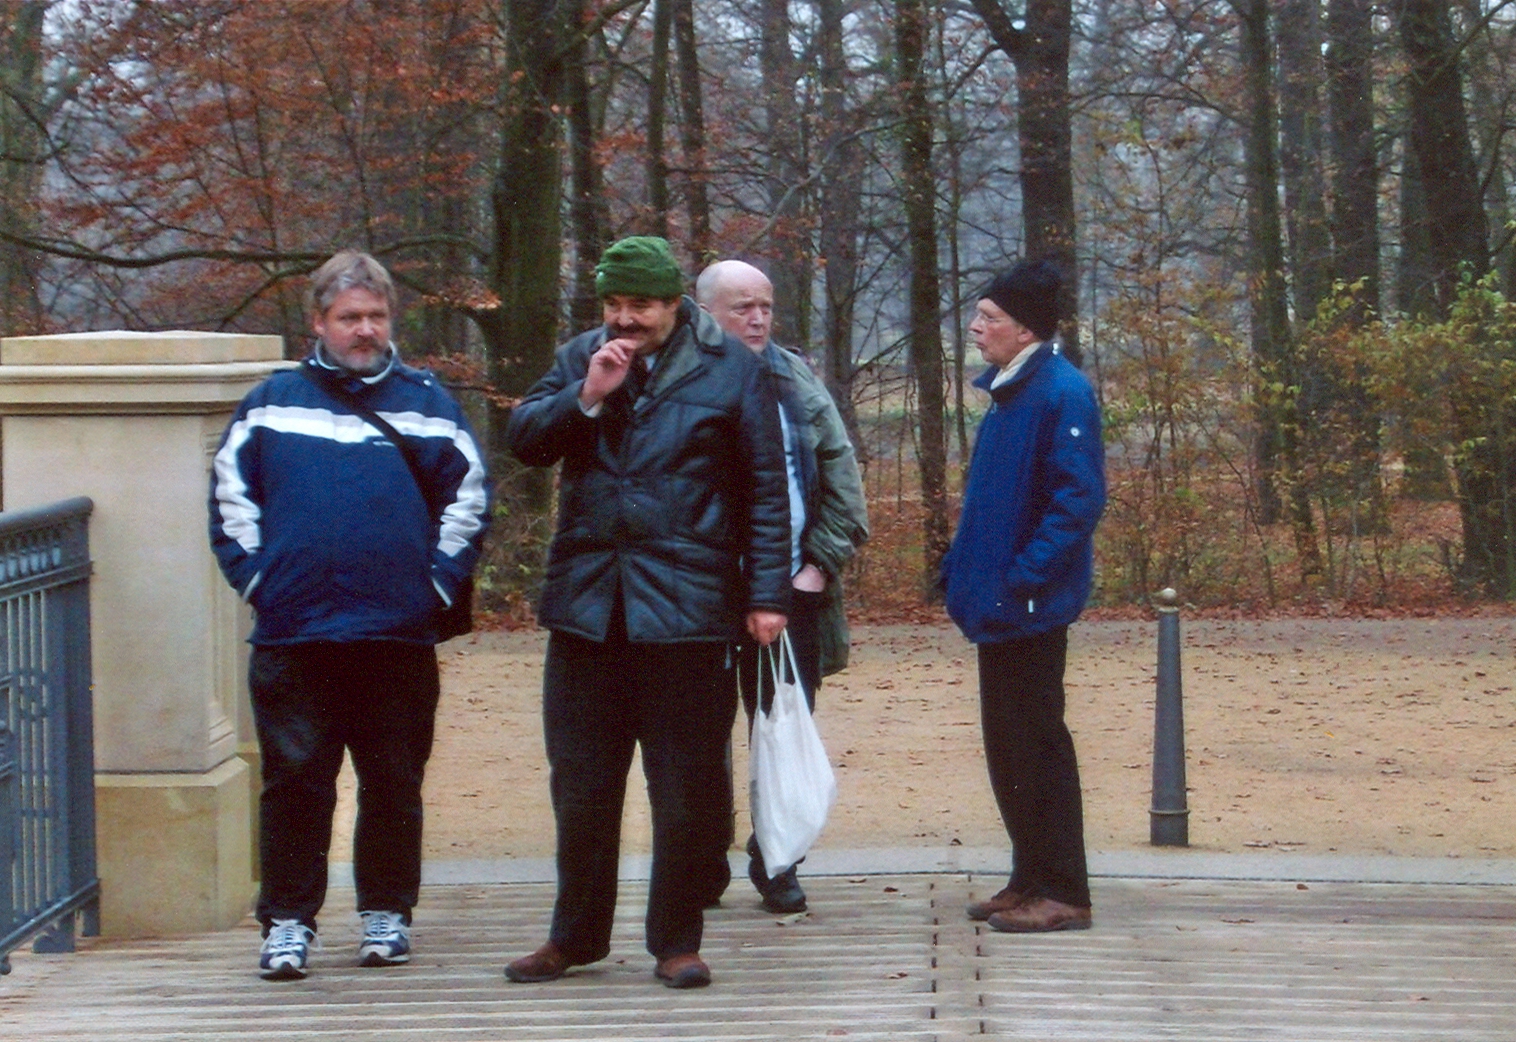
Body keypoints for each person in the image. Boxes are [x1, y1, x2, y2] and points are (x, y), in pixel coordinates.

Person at [503, 236, 792, 989]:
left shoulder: (735, 370)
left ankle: (676, 941)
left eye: (641, 306)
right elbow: (526, 442)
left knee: (685, 787)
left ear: (675, 304)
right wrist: (589, 395)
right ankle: (575, 937)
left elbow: (765, 490)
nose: (624, 320)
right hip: (589, 608)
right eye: (613, 306)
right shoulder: (583, 357)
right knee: (581, 784)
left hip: (689, 609)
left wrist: (767, 595)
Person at [209, 250, 490, 980]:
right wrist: (261, 580)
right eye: (349, 318)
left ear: (390, 320)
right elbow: (229, 497)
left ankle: (386, 913)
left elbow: (468, 499)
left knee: (393, 779)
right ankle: (288, 923)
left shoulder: (429, 403)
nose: (364, 330)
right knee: (295, 782)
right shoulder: (269, 402)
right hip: (295, 631)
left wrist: (431, 589)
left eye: (375, 316)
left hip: (395, 632)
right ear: (319, 323)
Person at [694, 259, 869, 914]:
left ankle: (779, 858)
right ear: (704, 311)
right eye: (742, 306)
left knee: (783, 725)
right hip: (704, 594)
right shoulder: (682, 382)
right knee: (698, 735)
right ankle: (699, 861)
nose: (759, 317)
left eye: (765, 304)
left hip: (792, 589)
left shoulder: (795, 379)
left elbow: (843, 482)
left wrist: (816, 567)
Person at [940, 259, 1105, 933]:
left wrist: (1025, 576)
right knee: (1007, 743)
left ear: (1025, 329)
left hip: (1030, 605)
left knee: (1037, 742)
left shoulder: (1061, 393)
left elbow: (1077, 501)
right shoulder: (1014, 391)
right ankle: (1029, 875)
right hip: (999, 605)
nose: (976, 328)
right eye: (978, 316)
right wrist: (960, 568)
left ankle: (1064, 889)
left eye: (990, 318)